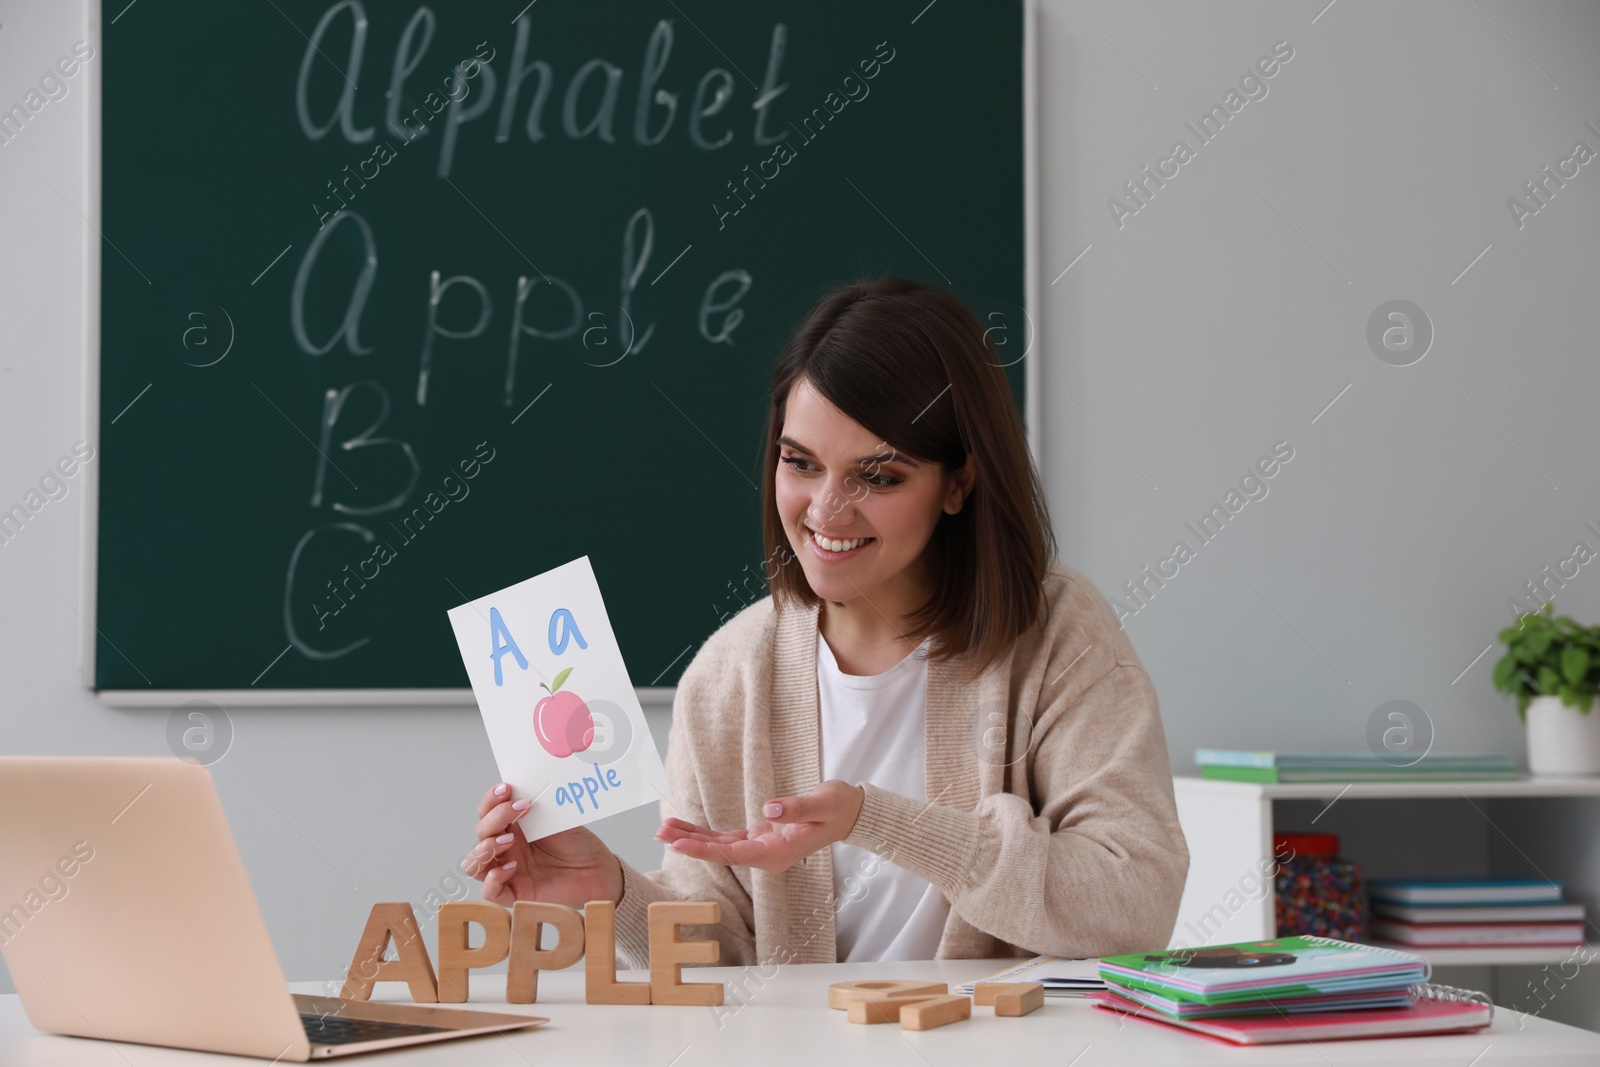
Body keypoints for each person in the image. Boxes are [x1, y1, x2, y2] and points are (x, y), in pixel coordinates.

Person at [463, 276, 1188, 967]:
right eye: (800, 463)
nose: (825, 511)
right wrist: (610, 893)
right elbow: (727, 955)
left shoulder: (1056, 631)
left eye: (878, 476)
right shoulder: (729, 673)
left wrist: (875, 819)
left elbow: (1133, 905)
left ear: (960, 481)